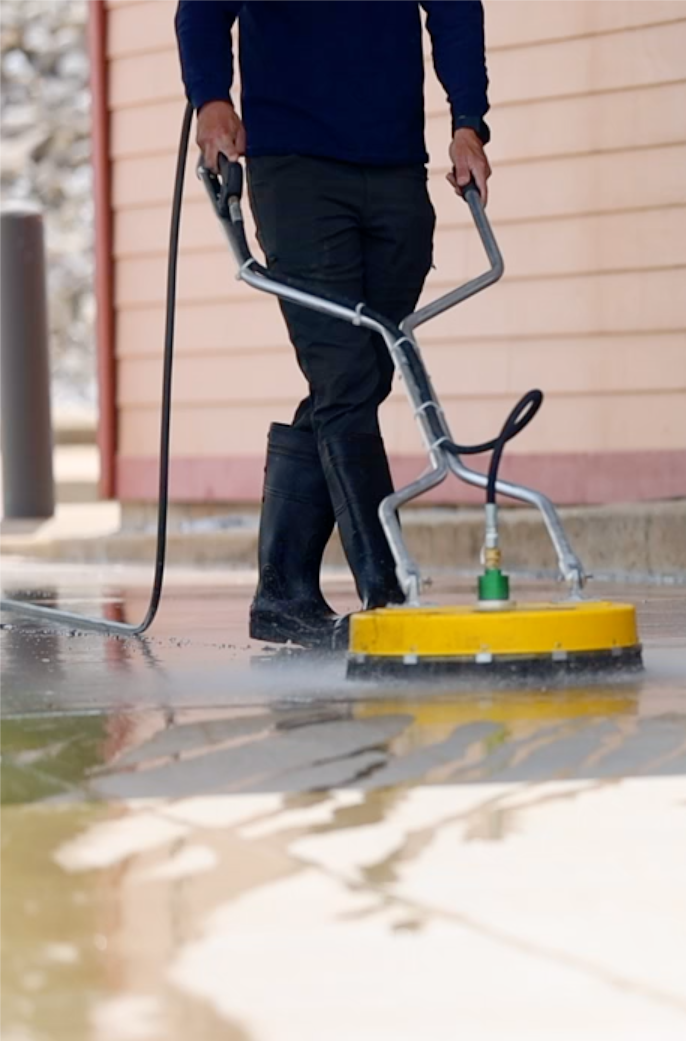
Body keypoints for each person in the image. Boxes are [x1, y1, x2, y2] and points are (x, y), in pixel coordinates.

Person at [174, 0, 493, 649]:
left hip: (397, 167)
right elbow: (201, 13)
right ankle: (388, 594)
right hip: (297, 171)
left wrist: (468, 122)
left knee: (361, 372)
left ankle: (283, 592)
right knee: (345, 376)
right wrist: (210, 98)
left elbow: (456, 10)